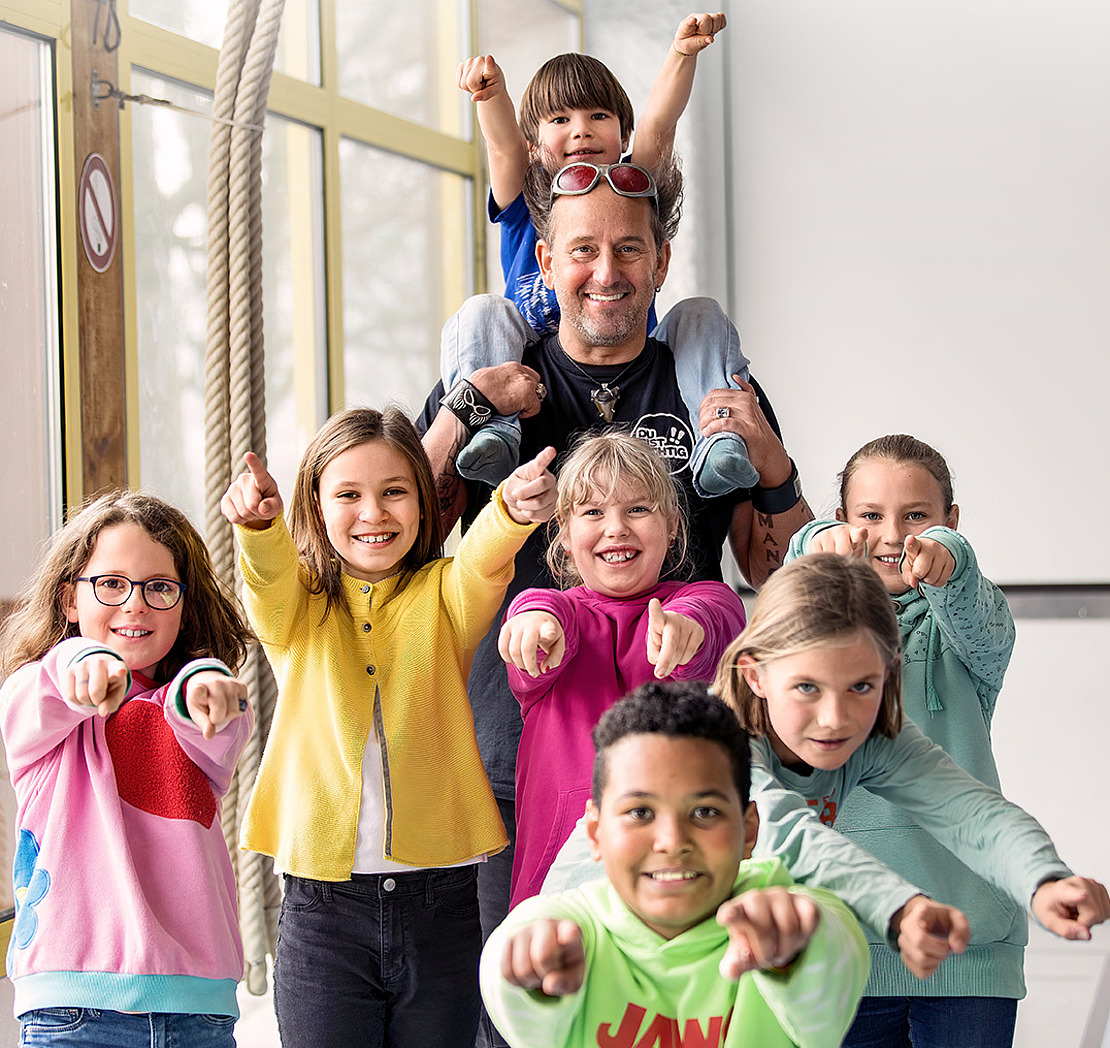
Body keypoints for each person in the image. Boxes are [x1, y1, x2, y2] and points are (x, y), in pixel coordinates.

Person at [419, 154, 811, 1048]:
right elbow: (401, 532)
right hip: (518, 753)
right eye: (584, 250)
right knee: (520, 997)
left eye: (628, 250)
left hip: (682, 746)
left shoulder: (710, 385)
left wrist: (774, 462)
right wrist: (457, 411)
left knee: (682, 1004)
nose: (607, 273)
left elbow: (772, 568)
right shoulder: (502, 374)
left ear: (661, 263)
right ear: (546, 263)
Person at [220, 407, 556, 1048]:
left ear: (423, 504)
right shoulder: (301, 609)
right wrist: (261, 529)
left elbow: (483, 564)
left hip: (443, 906)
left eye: (394, 492)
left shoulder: (444, 594)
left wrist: (509, 511)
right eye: (348, 494)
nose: (373, 513)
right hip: (323, 913)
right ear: (315, 508)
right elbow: (266, 584)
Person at [712, 553, 1110, 1008]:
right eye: (807, 687)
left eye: (861, 686)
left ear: (889, 672)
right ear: (755, 674)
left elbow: (971, 813)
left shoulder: (873, 737)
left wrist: (1043, 880)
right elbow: (791, 837)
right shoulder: (720, 745)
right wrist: (901, 908)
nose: (835, 718)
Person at [448, 15, 757, 496]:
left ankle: (717, 438)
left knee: (702, 314)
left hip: (627, 349)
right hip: (532, 358)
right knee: (483, 312)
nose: (581, 132)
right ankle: (495, 430)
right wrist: (491, 97)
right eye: (560, 119)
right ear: (535, 145)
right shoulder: (528, 196)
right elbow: (504, 147)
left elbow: (659, 124)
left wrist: (681, 54)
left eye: (598, 116)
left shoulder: (635, 188)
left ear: (624, 136)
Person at [786, 435, 1023, 1046]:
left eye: (916, 516)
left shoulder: (971, 632)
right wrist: (818, 545)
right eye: (870, 516)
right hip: (837, 951)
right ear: (843, 523)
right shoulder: (818, 625)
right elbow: (796, 586)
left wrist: (949, 557)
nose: (892, 536)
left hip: (968, 956)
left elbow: (974, 605)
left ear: (952, 522)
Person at [479, 680, 870, 1048]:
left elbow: (835, 952)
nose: (672, 842)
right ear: (595, 833)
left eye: (704, 811)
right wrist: (527, 969)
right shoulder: (572, 929)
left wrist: (797, 948)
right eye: (640, 812)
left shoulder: (796, 912)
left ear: (749, 829)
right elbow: (510, 969)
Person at [0, 491, 254, 1046]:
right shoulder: (38, 701)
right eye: (111, 584)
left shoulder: (193, 707)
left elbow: (222, 711)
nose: (134, 605)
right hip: (70, 1009)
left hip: (199, 1011)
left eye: (159, 587)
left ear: (183, 605)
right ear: (70, 600)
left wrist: (208, 683)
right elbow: (49, 681)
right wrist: (86, 661)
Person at [498, 431, 746, 906]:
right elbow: (542, 612)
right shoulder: (553, 611)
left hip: (676, 874)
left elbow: (713, 620)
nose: (616, 528)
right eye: (593, 512)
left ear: (673, 526)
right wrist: (533, 622)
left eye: (637, 509)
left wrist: (683, 630)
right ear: (565, 537)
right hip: (560, 892)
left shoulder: (704, 600)